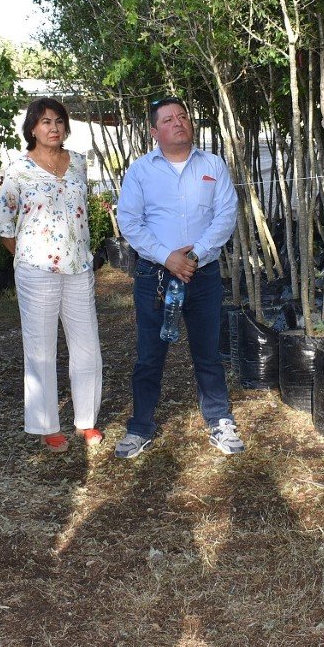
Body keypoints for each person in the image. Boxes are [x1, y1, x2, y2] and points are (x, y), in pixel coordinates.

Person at [114, 96, 240, 459]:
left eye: (183, 116)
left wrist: (195, 256)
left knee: (209, 352)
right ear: (154, 132)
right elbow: (130, 222)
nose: (178, 122)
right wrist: (168, 257)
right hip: (154, 276)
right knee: (149, 356)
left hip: (203, 274)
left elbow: (225, 214)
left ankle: (219, 420)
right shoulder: (140, 171)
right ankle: (140, 426)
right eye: (168, 120)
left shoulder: (213, 164)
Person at [0, 97, 103, 453]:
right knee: (40, 349)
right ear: (32, 129)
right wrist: (30, 257)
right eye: (44, 122)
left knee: (86, 347)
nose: (52, 127)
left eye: (57, 121)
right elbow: (4, 225)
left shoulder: (79, 164)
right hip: (36, 272)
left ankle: (87, 420)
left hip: (79, 268)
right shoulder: (19, 169)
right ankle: (46, 425)